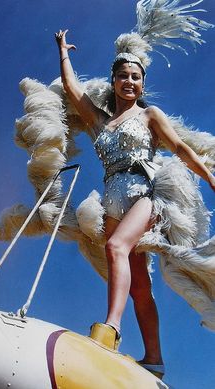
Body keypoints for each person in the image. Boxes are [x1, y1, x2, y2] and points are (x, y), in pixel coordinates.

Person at [55, 28, 215, 378]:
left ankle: (110, 329)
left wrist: (211, 178)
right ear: (113, 81)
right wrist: (64, 51)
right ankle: (154, 360)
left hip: (145, 194)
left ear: (142, 84)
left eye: (136, 77)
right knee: (140, 287)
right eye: (124, 76)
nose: (129, 81)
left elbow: (182, 150)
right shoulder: (99, 121)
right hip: (113, 200)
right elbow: (72, 89)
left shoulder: (149, 115)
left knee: (115, 247)